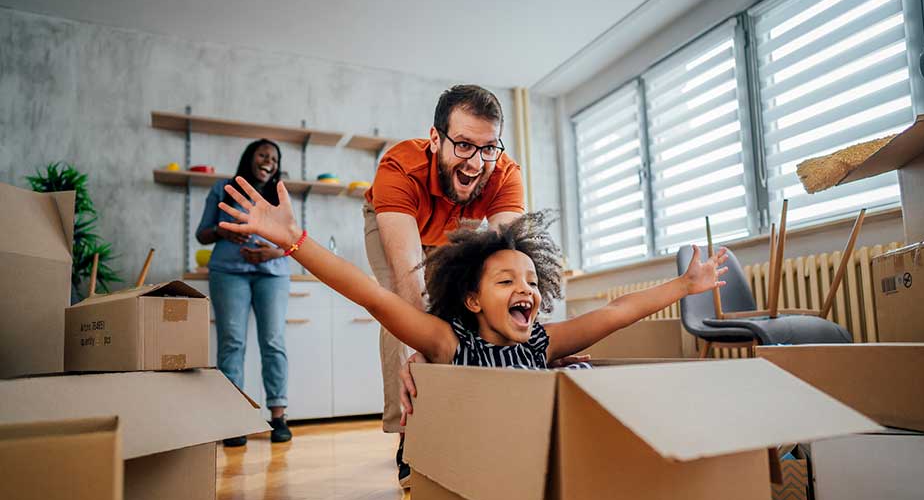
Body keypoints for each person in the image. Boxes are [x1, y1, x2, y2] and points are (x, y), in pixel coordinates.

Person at [214, 176, 728, 438]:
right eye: (506, 280)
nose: (525, 287)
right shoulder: (448, 345)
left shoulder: (543, 345)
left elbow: (614, 314)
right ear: (473, 298)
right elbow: (369, 293)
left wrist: (683, 286)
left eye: (530, 279)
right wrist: (293, 239)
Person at [362, 84, 524, 487]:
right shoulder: (399, 168)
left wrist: (523, 341)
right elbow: (409, 280)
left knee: (469, 306)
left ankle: (464, 422)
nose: (476, 162)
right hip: (401, 224)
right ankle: (409, 437)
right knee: (403, 313)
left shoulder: (503, 173)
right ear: (435, 138)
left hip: (455, 227)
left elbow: (511, 267)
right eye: (464, 145)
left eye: (489, 148)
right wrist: (425, 349)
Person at [196, 139, 293, 446]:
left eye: (274, 158)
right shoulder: (223, 188)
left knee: (273, 341)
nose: (269, 161)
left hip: (271, 274)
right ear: (250, 157)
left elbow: (294, 242)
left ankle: (278, 417)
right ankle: (233, 420)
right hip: (228, 272)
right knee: (232, 343)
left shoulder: (278, 196)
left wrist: (271, 253)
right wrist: (222, 230)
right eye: (263, 155)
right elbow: (202, 233)